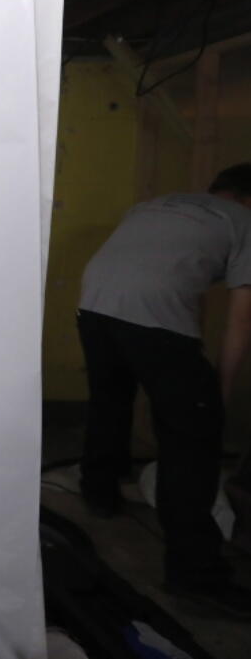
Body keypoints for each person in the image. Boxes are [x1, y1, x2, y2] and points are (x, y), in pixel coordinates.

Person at [77, 163, 251, 619]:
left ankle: (99, 491)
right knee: (192, 441)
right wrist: (218, 395)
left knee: (110, 401)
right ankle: (196, 575)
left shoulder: (153, 204)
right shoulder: (244, 221)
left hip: (94, 307)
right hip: (154, 320)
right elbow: (241, 318)